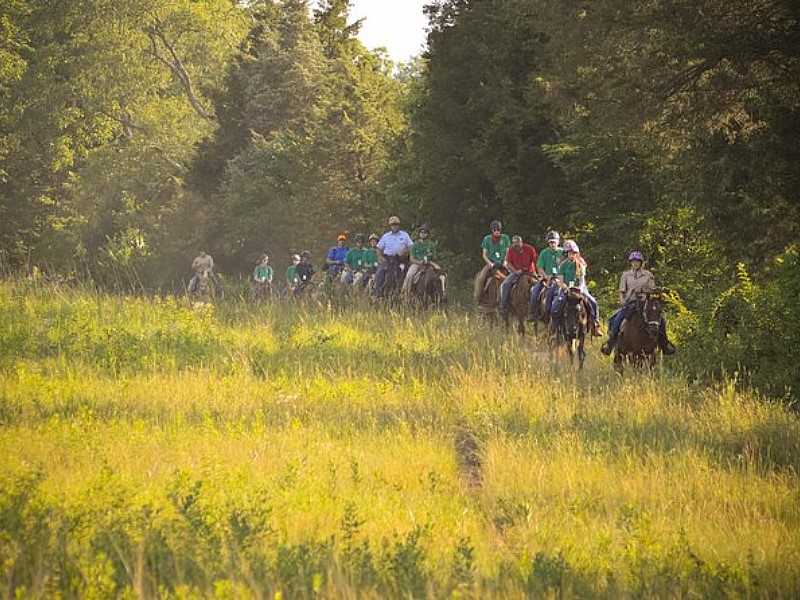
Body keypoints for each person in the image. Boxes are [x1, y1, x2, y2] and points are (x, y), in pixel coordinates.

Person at [600, 251, 676, 355]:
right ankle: (610, 342)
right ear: (631, 263)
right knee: (617, 317)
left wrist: (642, 289)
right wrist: (622, 300)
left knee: (660, 319)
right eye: (633, 262)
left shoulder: (648, 275)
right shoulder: (626, 275)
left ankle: (664, 344)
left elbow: (653, 289)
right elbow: (621, 291)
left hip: (645, 302)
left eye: (637, 262)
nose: (635, 263)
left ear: (641, 263)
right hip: (630, 302)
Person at [548, 240, 602, 336]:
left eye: (574, 253)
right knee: (555, 304)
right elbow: (560, 280)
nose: (572, 255)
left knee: (593, 302)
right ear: (566, 254)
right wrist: (565, 287)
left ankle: (595, 325)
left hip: (579, 288)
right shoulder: (563, 265)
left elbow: (582, 279)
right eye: (570, 253)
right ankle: (554, 324)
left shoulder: (580, 265)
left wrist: (580, 287)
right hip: (566, 288)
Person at [527, 230, 563, 320]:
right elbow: (539, 267)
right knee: (534, 290)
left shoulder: (563, 252)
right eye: (550, 242)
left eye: (554, 242)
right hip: (547, 277)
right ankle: (533, 312)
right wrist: (546, 276)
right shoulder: (544, 253)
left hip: (560, 278)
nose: (552, 244)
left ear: (558, 242)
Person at [473, 220, 511, 305]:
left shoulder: (505, 238)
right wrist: (489, 263)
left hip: (503, 263)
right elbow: (484, 254)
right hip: (491, 264)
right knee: (480, 278)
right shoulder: (486, 239)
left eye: (498, 230)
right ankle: (478, 298)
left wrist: (505, 261)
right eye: (495, 230)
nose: (497, 232)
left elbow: (508, 252)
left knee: (514, 276)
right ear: (492, 231)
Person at [402, 224, 446, 295]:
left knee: (441, 273)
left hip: (429, 262)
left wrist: (431, 256)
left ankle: (442, 292)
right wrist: (419, 262)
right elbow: (411, 259)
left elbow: (435, 257)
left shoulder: (432, 244)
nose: (423, 234)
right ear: (419, 233)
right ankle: (406, 293)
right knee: (410, 274)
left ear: (427, 234)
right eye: (421, 232)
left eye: (425, 232)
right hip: (417, 263)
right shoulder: (415, 244)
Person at [499, 235, 538, 313]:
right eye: (515, 245)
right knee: (505, 284)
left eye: (518, 244)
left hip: (530, 272)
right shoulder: (511, 250)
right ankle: (504, 306)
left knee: (538, 285)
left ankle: (536, 308)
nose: (517, 247)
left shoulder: (529, 249)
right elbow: (508, 263)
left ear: (521, 242)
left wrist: (536, 272)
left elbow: (536, 260)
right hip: (517, 272)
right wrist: (516, 271)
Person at [375, 216, 412, 296]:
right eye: (393, 224)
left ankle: (409, 293)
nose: (394, 226)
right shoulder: (386, 236)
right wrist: (380, 257)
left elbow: (411, 246)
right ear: (390, 226)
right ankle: (377, 292)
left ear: (399, 225)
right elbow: (378, 248)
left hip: (401, 259)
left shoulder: (405, 235)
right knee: (380, 272)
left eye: (396, 224)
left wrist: (403, 252)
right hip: (388, 258)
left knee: (409, 272)